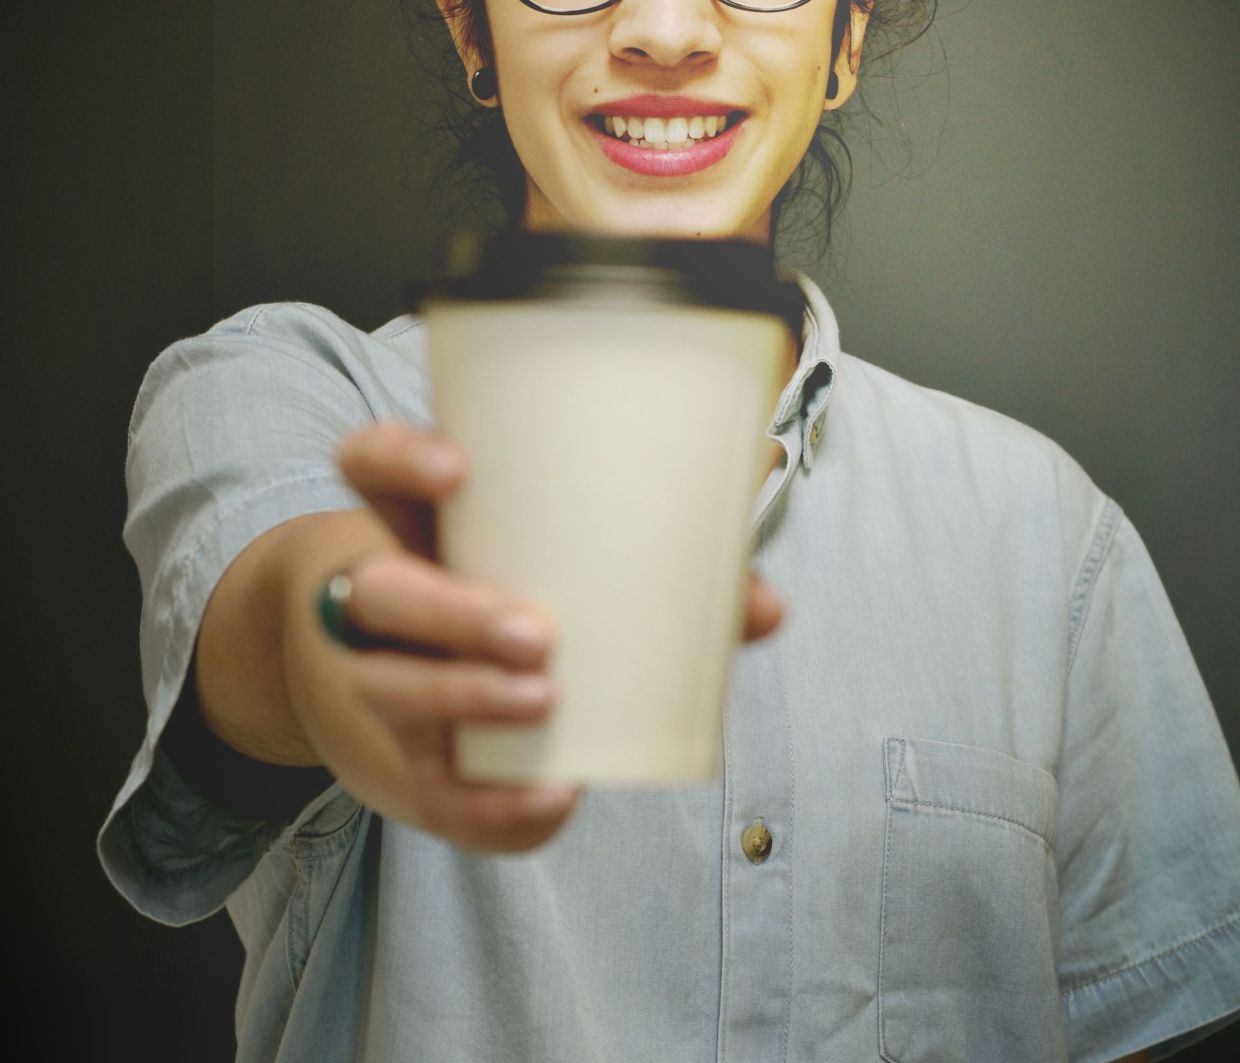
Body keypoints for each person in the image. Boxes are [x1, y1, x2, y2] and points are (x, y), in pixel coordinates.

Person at [99, 1, 1240, 1060]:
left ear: (846, 40)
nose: (662, 28)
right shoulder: (281, 395)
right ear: (471, 33)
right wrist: (352, 633)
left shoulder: (1048, 537)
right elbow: (280, 610)